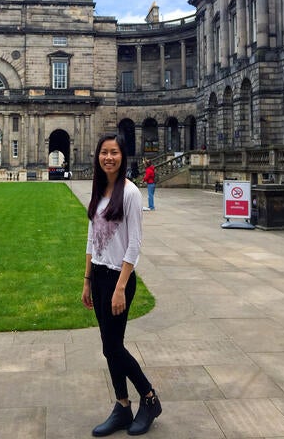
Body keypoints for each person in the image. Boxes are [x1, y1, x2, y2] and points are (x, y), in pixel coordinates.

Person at [82, 133, 162, 437]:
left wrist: (120, 287)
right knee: (108, 348)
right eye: (104, 152)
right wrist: (87, 281)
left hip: (119, 279)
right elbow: (92, 238)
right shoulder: (100, 191)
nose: (108, 158)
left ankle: (150, 398)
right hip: (100, 277)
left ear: (121, 156)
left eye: (114, 152)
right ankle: (123, 405)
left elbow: (135, 244)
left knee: (114, 346)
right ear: (98, 157)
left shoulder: (130, 193)